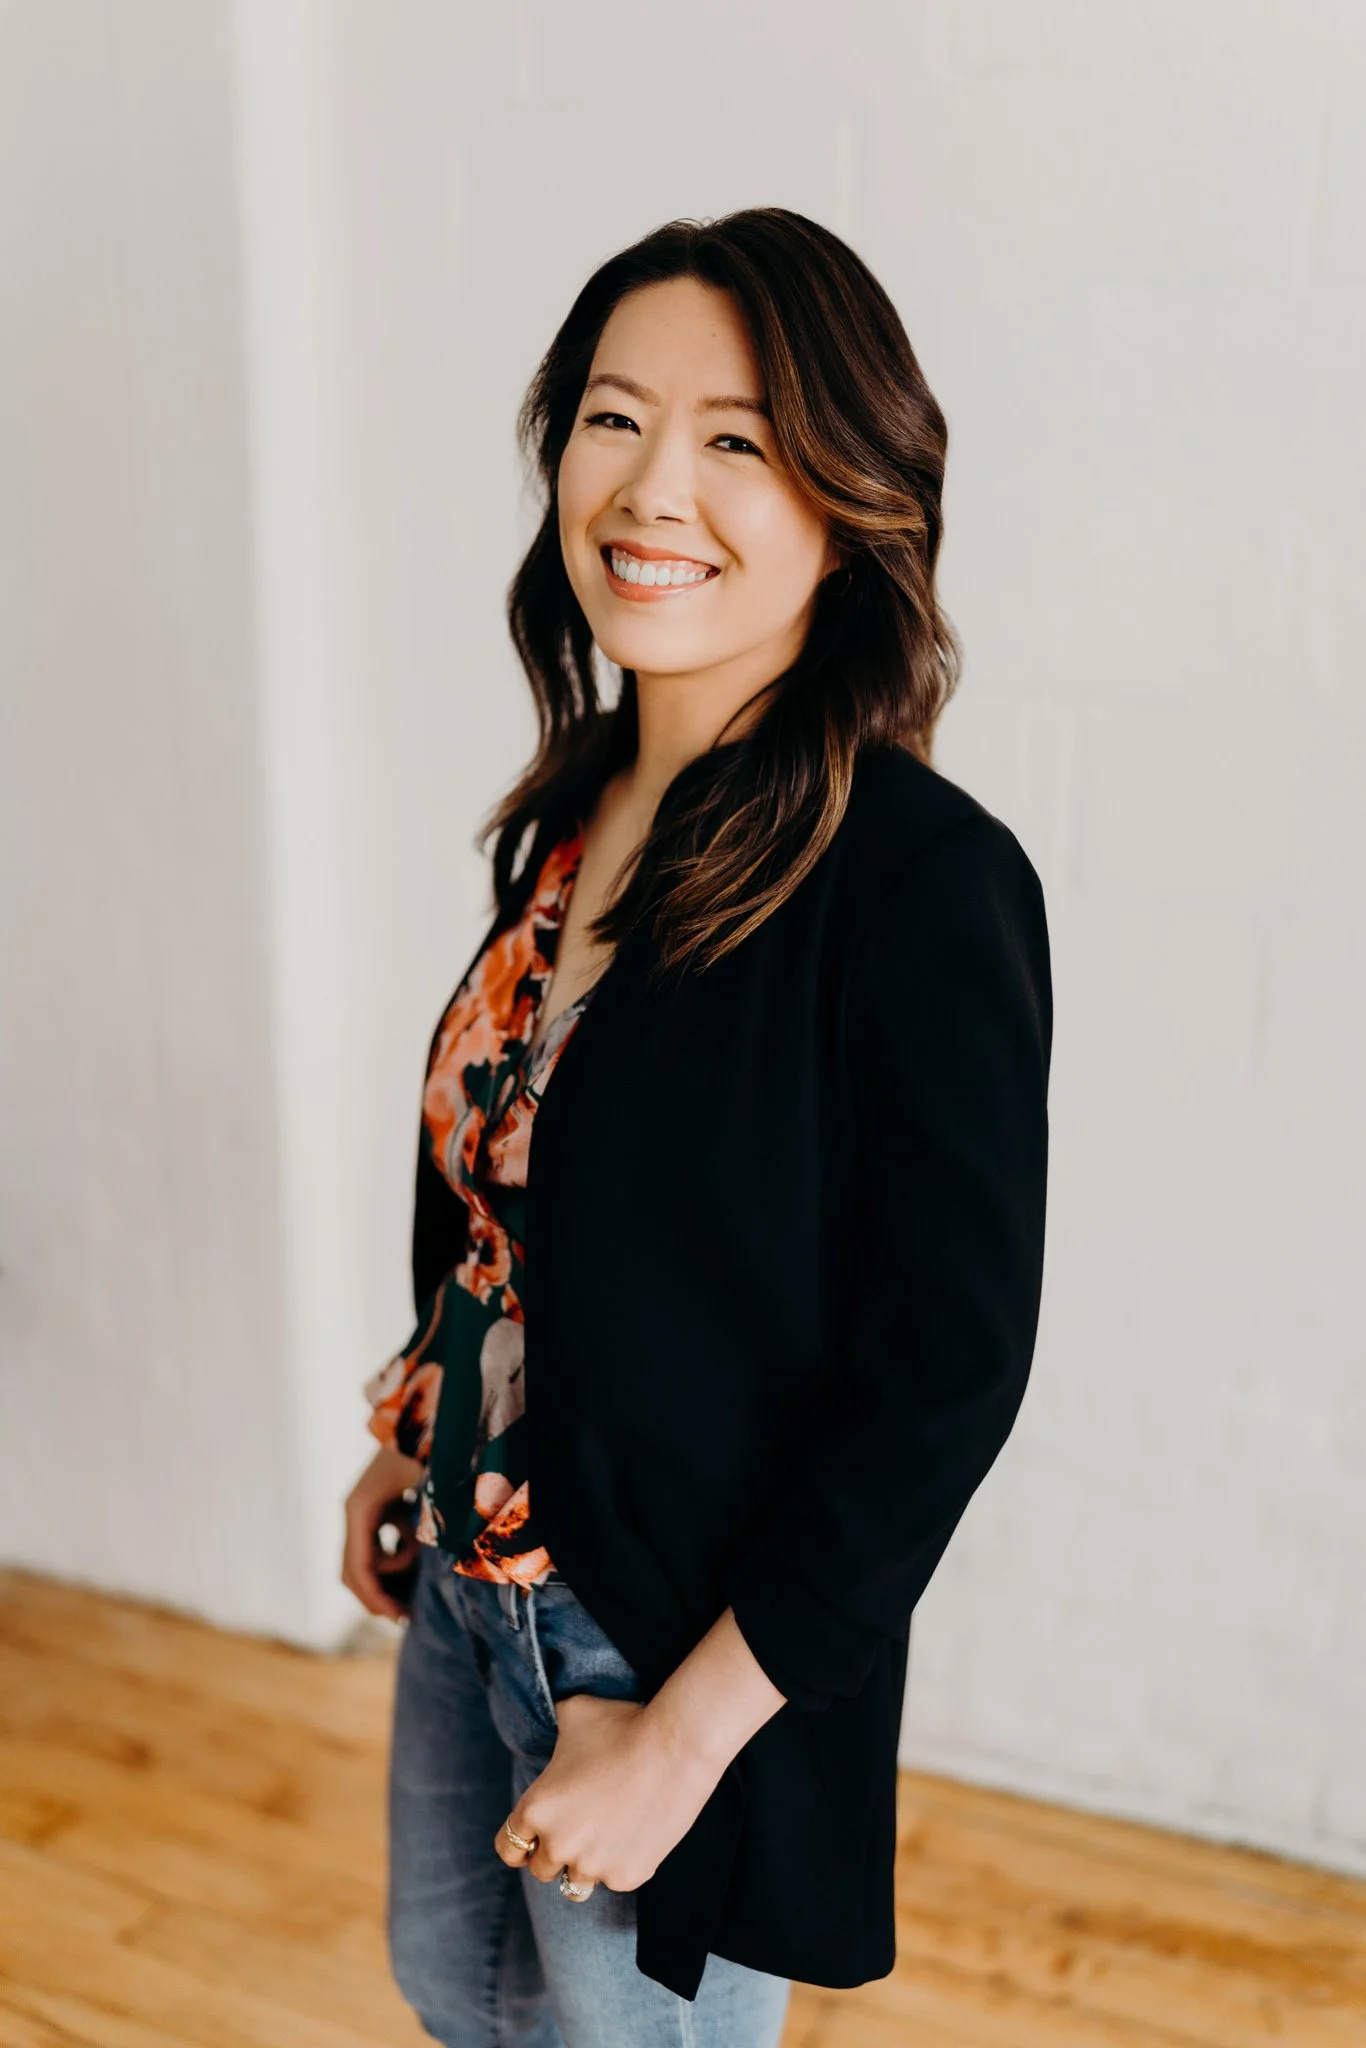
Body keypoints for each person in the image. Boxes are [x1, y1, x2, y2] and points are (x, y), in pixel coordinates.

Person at [341, 206, 1052, 2048]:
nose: (654, 487)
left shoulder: (917, 886)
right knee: (459, 1997)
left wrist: (680, 1736)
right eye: (610, 417)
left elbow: (945, 1380)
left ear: (852, 494)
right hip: (477, 1568)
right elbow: (516, 1191)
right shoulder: (572, 814)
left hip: (670, 1655)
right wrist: (419, 1416)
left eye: (736, 438)